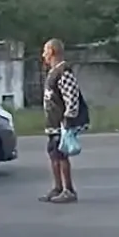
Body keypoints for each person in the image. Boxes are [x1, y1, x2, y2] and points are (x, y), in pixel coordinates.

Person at [39, 38, 89, 204]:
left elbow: (72, 97)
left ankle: (69, 190)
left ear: (52, 51)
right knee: (53, 154)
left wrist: (68, 119)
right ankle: (57, 187)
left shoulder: (63, 72)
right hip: (53, 124)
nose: (43, 55)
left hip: (62, 123)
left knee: (61, 156)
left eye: (45, 51)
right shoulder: (53, 72)